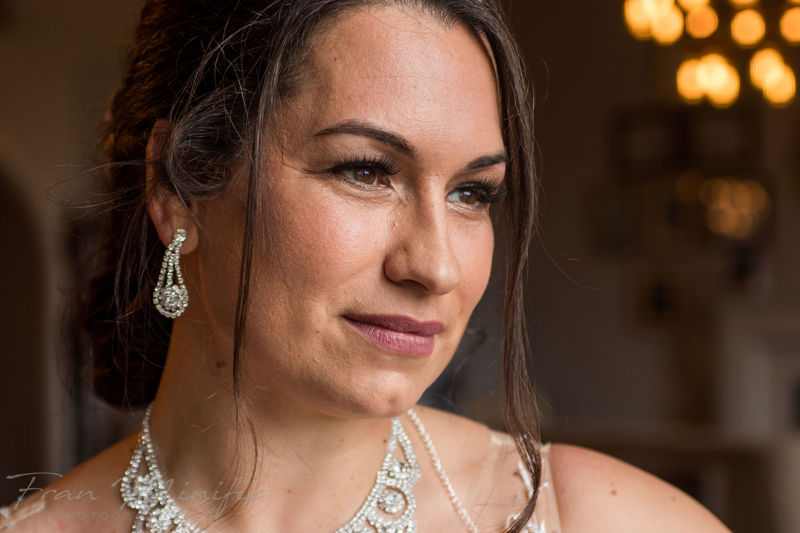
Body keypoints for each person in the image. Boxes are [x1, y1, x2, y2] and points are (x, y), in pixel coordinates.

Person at [1, 1, 730, 531]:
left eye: (473, 193)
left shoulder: (612, 520)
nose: (436, 266)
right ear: (178, 185)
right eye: (366, 170)